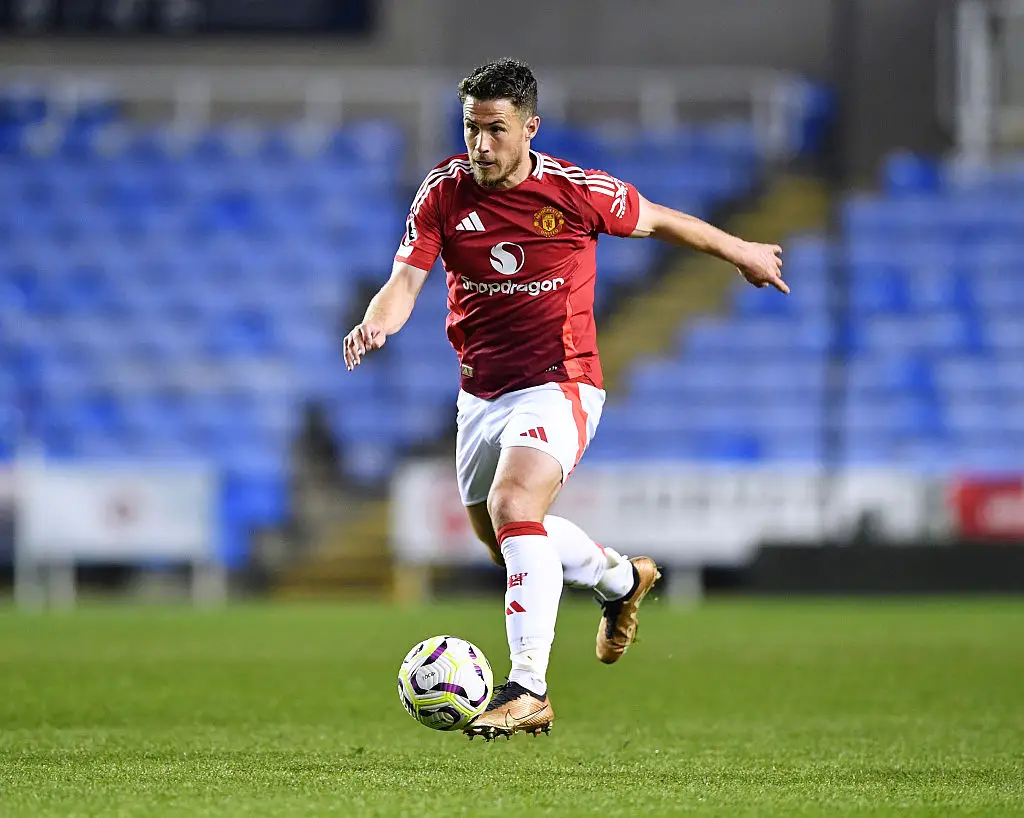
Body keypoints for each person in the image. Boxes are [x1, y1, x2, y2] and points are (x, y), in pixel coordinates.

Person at [342, 58, 786, 741]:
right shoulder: (444, 191)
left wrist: (741, 251)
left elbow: (663, 221)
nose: (481, 145)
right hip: (480, 394)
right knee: (511, 543)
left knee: (514, 507)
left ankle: (528, 690)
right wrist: (378, 322)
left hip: (561, 380)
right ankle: (618, 581)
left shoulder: (575, 192)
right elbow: (404, 282)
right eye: (471, 128)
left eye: (495, 130)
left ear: (530, 128)